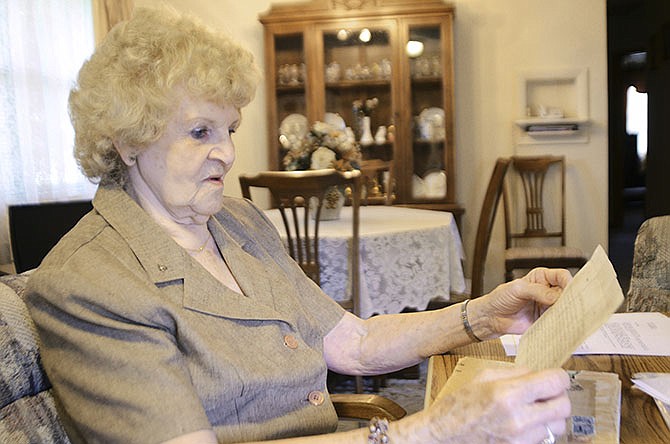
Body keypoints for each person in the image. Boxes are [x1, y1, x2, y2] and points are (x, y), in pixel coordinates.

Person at [26, 7, 570, 444]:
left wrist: (487, 314)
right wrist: (430, 430)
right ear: (128, 139)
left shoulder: (237, 222)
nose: (227, 154)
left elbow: (352, 342)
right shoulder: (89, 285)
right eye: (200, 132)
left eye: (230, 129)